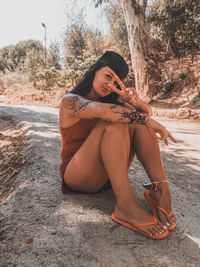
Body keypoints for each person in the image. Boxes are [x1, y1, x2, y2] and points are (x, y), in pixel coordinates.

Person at [59, 51, 177, 240]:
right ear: (95, 69)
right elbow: (102, 111)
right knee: (116, 121)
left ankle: (161, 191)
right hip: (78, 176)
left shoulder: (114, 102)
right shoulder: (70, 101)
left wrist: (137, 103)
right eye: (108, 76)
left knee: (136, 122)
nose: (110, 85)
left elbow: (144, 115)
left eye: (116, 82)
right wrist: (143, 118)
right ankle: (125, 205)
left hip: (105, 175)